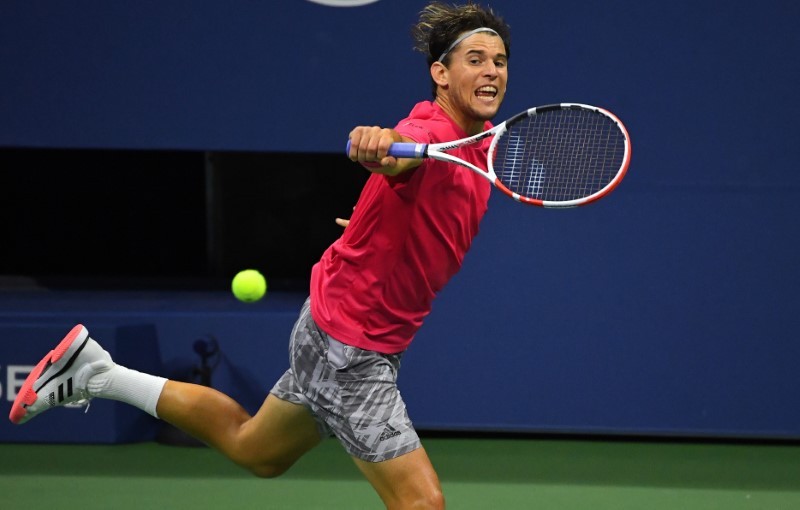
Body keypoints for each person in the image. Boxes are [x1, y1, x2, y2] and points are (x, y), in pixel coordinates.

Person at [10, 2, 510, 508]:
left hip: (352, 329)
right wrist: (381, 144)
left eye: (500, 60)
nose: (492, 70)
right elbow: (401, 148)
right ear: (440, 74)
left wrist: (370, 221)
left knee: (258, 450)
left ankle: (98, 373)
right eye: (476, 59)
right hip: (350, 346)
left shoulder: (476, 145)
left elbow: (416, 208)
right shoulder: (432, 132)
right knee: (421, 504)